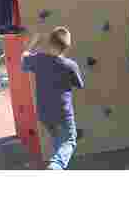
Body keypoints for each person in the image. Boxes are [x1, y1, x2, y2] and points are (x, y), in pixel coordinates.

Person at [21, 27, 84, 170]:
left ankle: (56, 166)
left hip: (44, 113)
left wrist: (33, 44)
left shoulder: (38, 60)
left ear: (49, 43)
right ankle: (56, 167)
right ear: (66, 47)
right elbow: (79, 84)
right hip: (63, 113)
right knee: (69, 140)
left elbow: (24, 61)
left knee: (58, 141)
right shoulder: (70, 65)